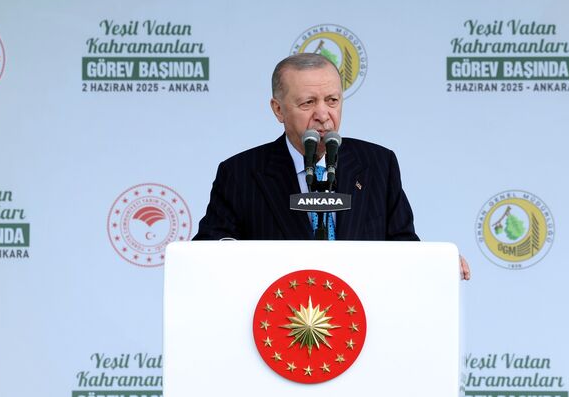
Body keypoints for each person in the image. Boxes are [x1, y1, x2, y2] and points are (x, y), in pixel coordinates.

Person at [193, 53, 470, 279]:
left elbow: (404, 245)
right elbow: (208, 251)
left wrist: (436, 264)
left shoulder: (378, 164)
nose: (323, 115)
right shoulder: (240, 173)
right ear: (278, 110)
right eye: (308, 103)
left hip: (359, 318)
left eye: (332, 101)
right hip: (280, 320)